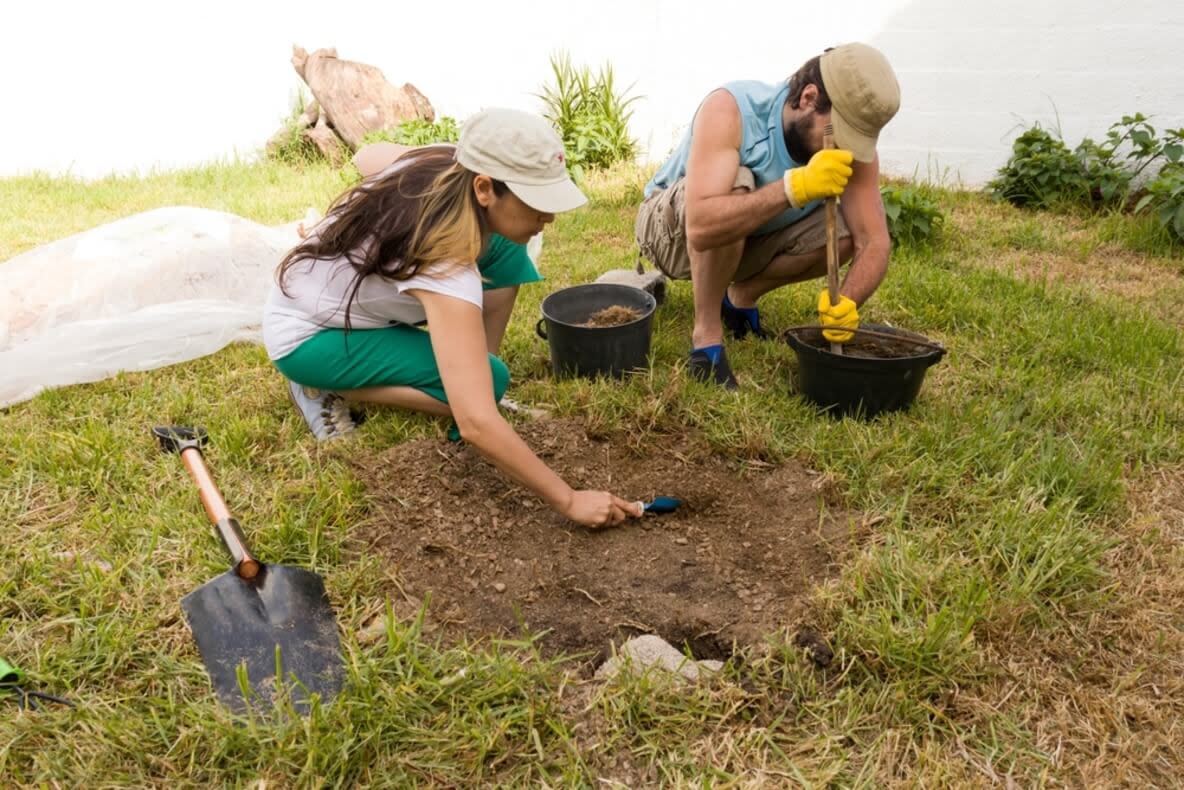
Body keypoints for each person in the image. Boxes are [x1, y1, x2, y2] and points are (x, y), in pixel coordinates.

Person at [263, 108, 642, 528]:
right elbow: (475, 426)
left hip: (332, 301)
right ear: (485, 188)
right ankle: (325, 387)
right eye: (536, 203)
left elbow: (367, 156)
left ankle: (468, 378)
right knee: (489, 387)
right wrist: (569, 500)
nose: (548, 218)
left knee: (508, 256)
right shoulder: (445, 264)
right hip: (308, 336)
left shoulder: (449, 163)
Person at [635, 43, 901, 389]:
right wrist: (794, 188)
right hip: (671, 233)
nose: (844, 148)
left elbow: (874, 241)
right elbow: (701, 227)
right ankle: (707, 338)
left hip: (748, 236)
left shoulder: (846, 145)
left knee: (848, 229)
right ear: (808, 98)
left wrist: (848, 301)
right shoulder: (733, 109)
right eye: (840, 132)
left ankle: (739, 299)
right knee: (737, 182)